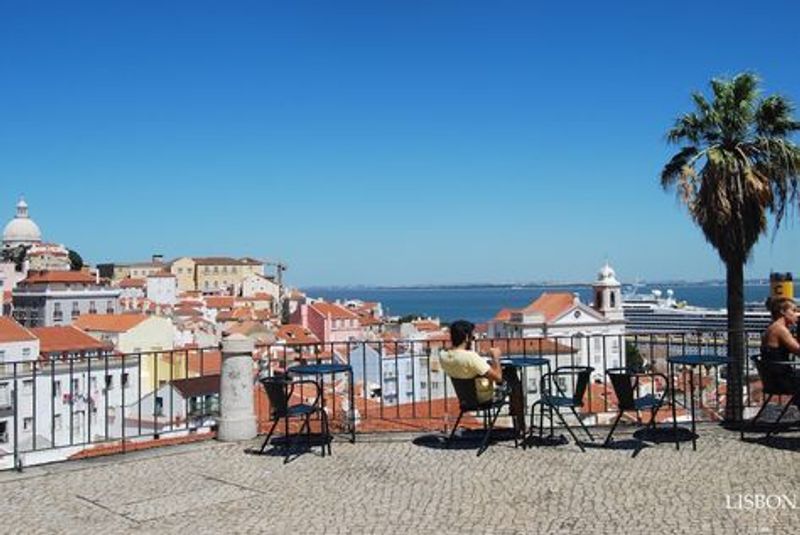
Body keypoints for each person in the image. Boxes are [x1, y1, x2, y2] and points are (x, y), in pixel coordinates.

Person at [439, 320, 525, 434]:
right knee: (511, 376)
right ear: (466, 337)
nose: (473, 339)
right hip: (482, 399)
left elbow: (466, 370)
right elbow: (498, 377)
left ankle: (518, 421)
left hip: (465, 399)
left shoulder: (443, 355)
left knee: (508, 376)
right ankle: (520, 426)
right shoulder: (470, 357)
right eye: (472, 336)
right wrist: (496, 357)